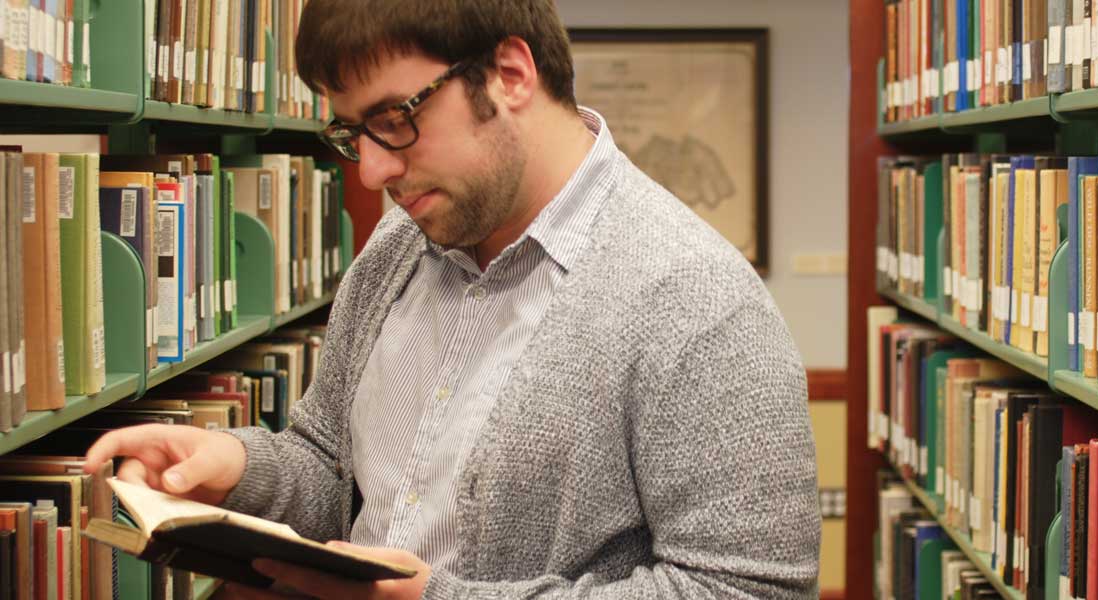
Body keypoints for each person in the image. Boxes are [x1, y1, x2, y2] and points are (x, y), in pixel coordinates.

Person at [82, 1, 821, 598]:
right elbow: (337, 470)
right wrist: (237, 467)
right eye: (352, 133)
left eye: (395, 121)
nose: (371, 170)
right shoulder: (397, 249)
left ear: (509, 74)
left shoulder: (697, 301)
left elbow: (744, 589)